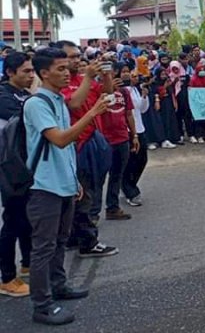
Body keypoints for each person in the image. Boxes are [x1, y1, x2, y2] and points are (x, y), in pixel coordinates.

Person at [25, 47, 109, 325]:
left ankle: (58, 286)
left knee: (60, 242)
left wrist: (73, 180)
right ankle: (42, 304)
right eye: (60, 69)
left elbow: (73, 112)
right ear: (44, 72)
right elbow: (60, 139)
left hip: (63, 183)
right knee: (43, 247)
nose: (66, 72)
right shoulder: (36, 104)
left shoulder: (58, 99)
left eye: (67, 67)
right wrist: (92, 113)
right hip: (43, 186)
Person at [57, 41, 118, 258]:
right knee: (83, 193)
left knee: (90, 187)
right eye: (71, 57)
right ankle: (88, 242)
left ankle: (75, 236)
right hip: (75, 143)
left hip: (92, 138)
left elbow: (107, 97)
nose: (76, 60)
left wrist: (107, 75)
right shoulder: (61, 83)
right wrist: (89, 77)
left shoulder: (81, 79)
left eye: (77, 56)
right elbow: (73, 104)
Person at [0, 53, 34, 297]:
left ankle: (28, 264)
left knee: (26, 217)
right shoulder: (4, 96)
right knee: (12, 220)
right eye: (25, 72)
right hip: (9, 166)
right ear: (10, 72)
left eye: (33, 71)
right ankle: (7, 277)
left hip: (26, 164)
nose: (31, 75)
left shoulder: (26, 94)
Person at [94, 63, 139, 221]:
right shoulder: (96, 90)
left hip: (122, 138)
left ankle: (112, 208)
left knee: (117, 175)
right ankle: (93, 213)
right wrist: (108, 89)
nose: (112, 75)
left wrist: (134, 135)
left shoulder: (125, 92)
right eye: (108, 72)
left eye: (114, 72)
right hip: (104, 140)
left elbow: (129, 114)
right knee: (99, 177)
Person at [122, 70, 149, 206]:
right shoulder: (122, 91)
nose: (133, 77)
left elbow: (142, 109)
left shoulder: (136, 90)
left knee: (142, 159)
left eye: (134, 75)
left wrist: (144, 97)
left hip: (139, 127)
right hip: (127, 130)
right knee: (130, 161)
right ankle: (130, 191)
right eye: (127, 73)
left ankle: (129, 184)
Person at [190, 63, 205, 143]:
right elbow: (191, 90)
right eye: (200, 70)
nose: (202, 71)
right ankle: (199, 135)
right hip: (197, 103)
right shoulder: (193, 79)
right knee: (198, 120)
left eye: (203, 70)